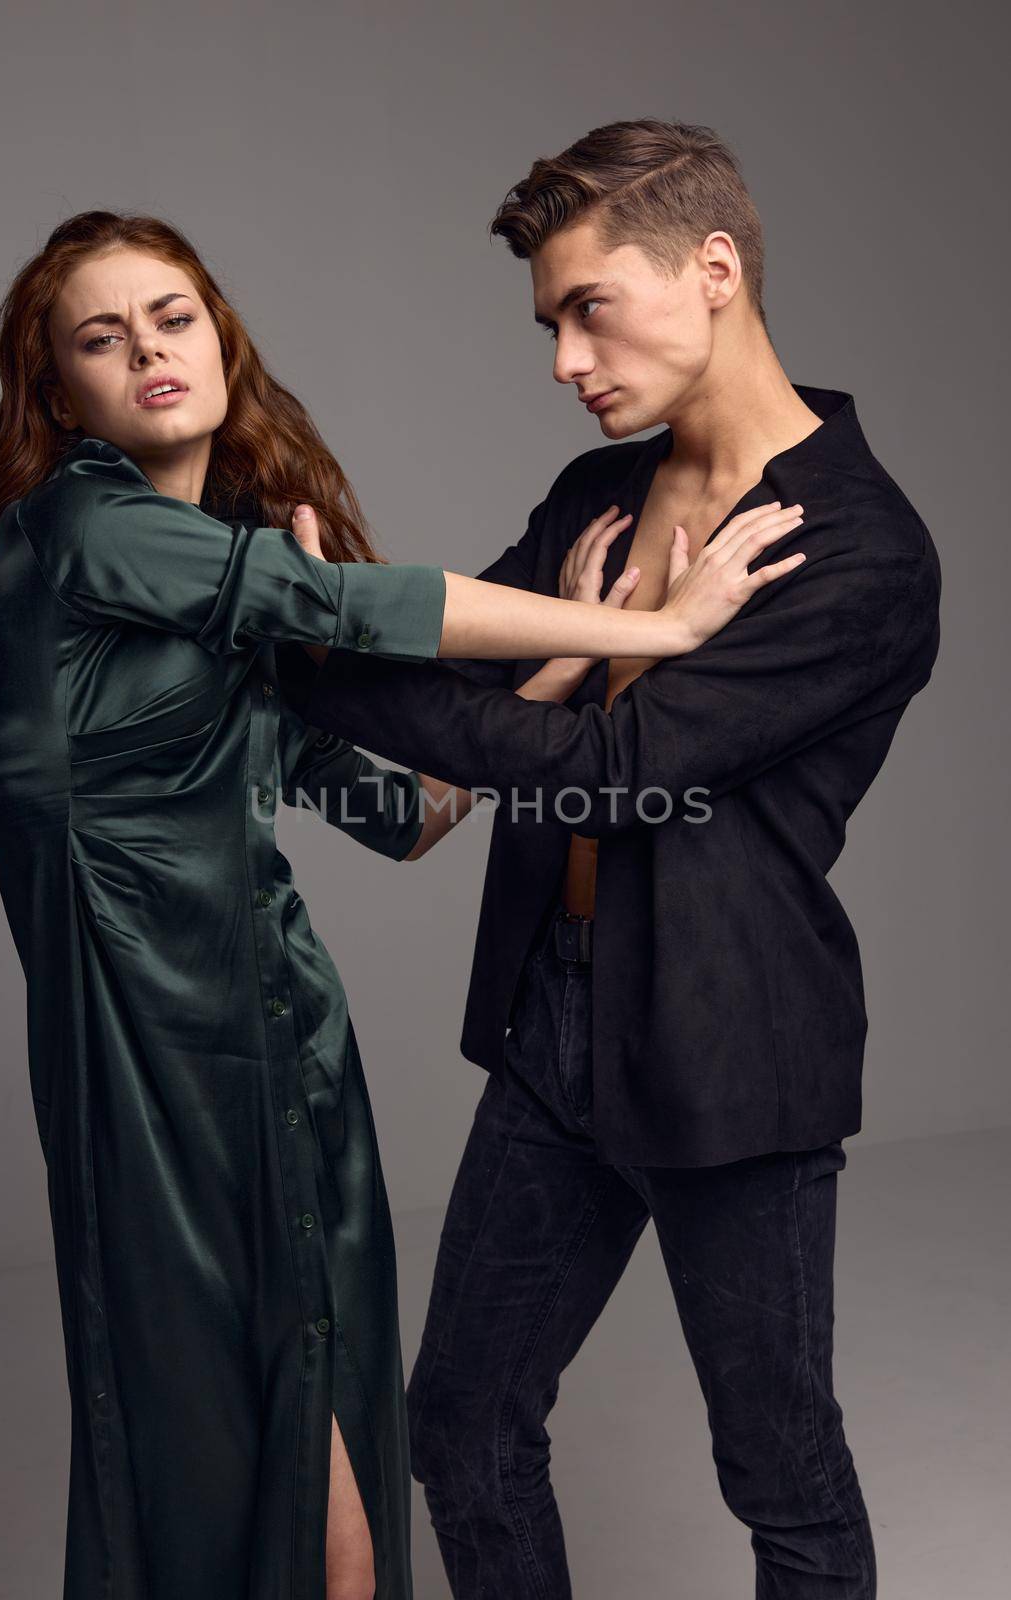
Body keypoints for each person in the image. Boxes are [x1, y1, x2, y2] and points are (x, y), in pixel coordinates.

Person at [0, 210, 801, 1600]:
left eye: (172, 317)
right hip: (150, 1071)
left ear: (217, 339)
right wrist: (658, 628)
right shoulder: (79, 529)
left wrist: (542, 685)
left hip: (287, 1050)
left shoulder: (222, 578)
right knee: (238, 1477)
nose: (150, 352)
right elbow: (357, 605)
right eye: (102, 338)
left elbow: (401, 817)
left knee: (340, 1478)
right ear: (60, 393)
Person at [288, 120, 943, 1598]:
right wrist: (317, 613)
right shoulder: (597, 498)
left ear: (714, 270)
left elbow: (617, 768)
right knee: (458, 1422)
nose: (567, 359)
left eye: (592, 307)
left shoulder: (857, 549)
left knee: (782, 1474)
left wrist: (321, 648)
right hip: (551, 1022)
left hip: (730, 1043)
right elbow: (460, 696)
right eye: (549, 322)